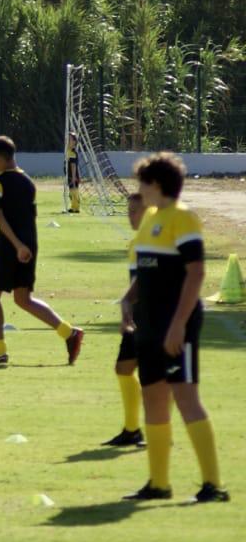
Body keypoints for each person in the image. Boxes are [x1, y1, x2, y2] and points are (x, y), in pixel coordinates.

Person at [122, 154, 228, 504]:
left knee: (185, 399)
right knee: (153, 397)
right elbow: (147, 270)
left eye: (142, 184)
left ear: (156, 186)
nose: (139, 190)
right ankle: (158, 483)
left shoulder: (183, 219)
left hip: (175, 324)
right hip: (149, 324)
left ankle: (213, 484)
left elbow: (195, 273)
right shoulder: (150, 218)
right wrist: (128, 299)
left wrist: (178, 326)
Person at [0, 135, 84, 366]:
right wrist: (25, 246)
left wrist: (16, 246)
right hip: (30, 244)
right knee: (23, 299)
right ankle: (69, 333)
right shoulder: (28, 181)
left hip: (10, 246)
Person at [104, 192, 147, 448]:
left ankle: (154, 430)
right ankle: (132, 430)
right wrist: (127, 309)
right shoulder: (136, 243)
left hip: (153, 318)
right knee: (123, 368)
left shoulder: (151, 241)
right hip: (138, 316)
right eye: (128, 211)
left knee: (158, 380)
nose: (130, 216)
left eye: (135, 211)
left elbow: (148, 281)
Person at [66, 131, 81, 213]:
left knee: (74, 191)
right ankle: (73, 207)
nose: (67, 140)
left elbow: (73, 165)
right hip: (70, 175)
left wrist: (74, 177)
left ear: (74, 142)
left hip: (73, 175)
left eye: (70, 139)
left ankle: (76, 208)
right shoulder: (68, 151)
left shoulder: (72, 152)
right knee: (71, 191)